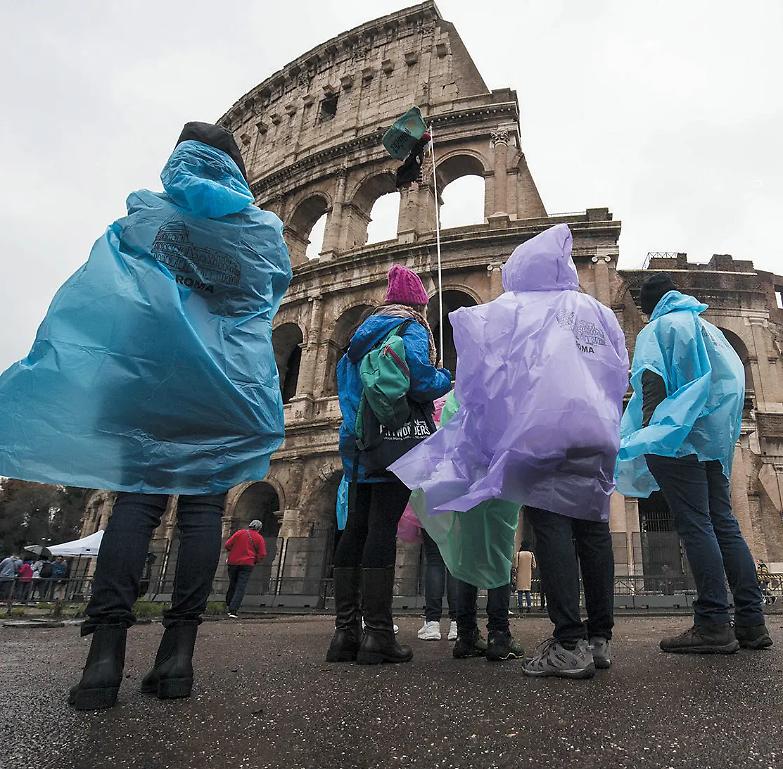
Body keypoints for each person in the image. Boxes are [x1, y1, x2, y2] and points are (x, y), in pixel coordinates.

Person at [0, 121, 291, 710]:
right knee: (204, 510)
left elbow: (106, 297)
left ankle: (103, 661)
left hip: (150, 381)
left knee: (135, 506)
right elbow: (268, 299)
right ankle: (178, 655)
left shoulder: (145, 217)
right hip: (222, 387)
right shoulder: (259, 231)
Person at [390, 225, 629, 678]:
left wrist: (483, 429)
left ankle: (569, 643)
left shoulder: (515, 307)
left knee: (552, 525)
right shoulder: (597, 311)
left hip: (543, 430)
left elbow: (480, 366)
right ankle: (600, 638)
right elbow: (620, 369)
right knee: (594, 528)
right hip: (598, 430)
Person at [617, 273, 770, 653]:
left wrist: (653, 433)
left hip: (678, 443)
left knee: (696, 525)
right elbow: (731, 384)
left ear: (648, 305)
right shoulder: (708, 329)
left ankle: (713, 622)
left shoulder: (658, 329)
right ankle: (751, 622)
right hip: (713, 445)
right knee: (724, 524)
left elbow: (651, 382)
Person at [326, 264, 451, 665]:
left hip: (358, 440)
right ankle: (378, 634)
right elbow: (420, 378)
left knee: (355, 528)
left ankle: (345, 634)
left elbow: (346, 390)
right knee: (382, 527)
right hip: (394, 441)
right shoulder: (410, 328)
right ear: (418, 302)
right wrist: (445, 377)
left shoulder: (356, 341)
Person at [418, 530, 458, 642]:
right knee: (455, 561)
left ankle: (432, 623)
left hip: (433, 513)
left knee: (434, 560)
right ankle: (457, 622)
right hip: (457, 514)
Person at [224, 520, 268, 618]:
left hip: (233, 562)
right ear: (259, 528)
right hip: (247, 563)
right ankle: (233, 610)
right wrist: (255, 560)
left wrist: (234, 551)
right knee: (241, 586)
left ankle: (228, 605)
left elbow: (227, 545)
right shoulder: (259, 538)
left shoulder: (239, 533)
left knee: (232, 583)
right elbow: (262, 554)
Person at [514, 544, 536, 614]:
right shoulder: (531, 554)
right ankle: (529, 607)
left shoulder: (518, 554)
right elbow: (534, 565)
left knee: (520, 593)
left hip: (520, 575)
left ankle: (521, 608)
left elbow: (516, 565)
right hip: (528, 575)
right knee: (527, 592)